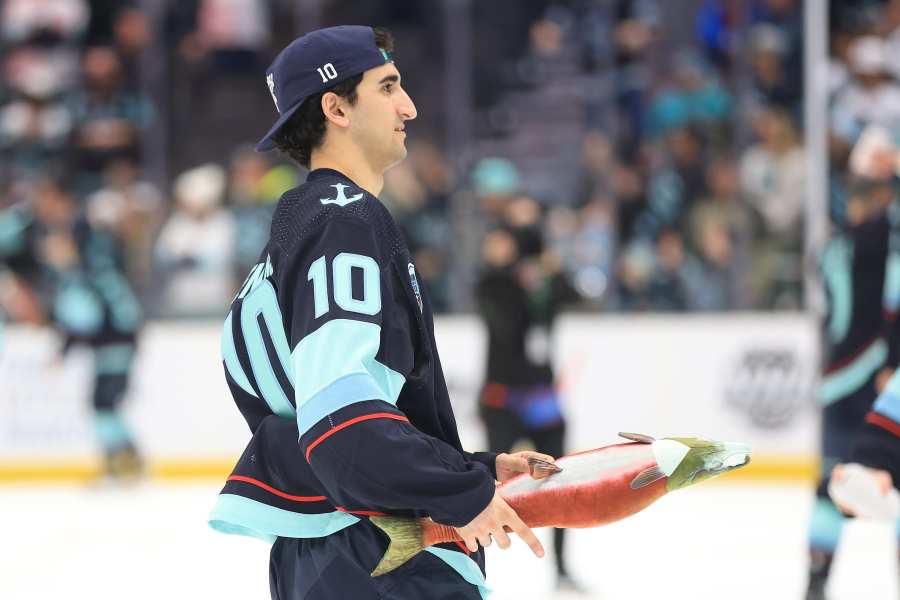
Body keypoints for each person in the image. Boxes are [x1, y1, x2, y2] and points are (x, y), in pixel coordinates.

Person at [207, 26, 553, 600]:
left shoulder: (300, 227)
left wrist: (472, 469)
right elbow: (342, 423)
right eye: (388, 87)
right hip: (380, 557)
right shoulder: (342, 219)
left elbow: (340, 416)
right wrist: (458, 493)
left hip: (330, 552)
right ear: (336, 108)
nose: (409, 107)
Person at [806, 176, 900, 600]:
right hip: (878, 376)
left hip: (834, 380)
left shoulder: (829, 246)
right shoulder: (880, 239)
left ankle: (815, 584)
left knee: (829, 484)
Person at [475, 224, 582, 592]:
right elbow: (503, 323)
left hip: (542, 400)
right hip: (502, 399)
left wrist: (551, 273)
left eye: (501, 241)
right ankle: (476, 569)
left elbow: (576, 296)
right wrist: (520, 281)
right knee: (487, 487)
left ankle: (563, 567)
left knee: (561, 481)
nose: (495, 246)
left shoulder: (541, 283)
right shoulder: (492, 283)